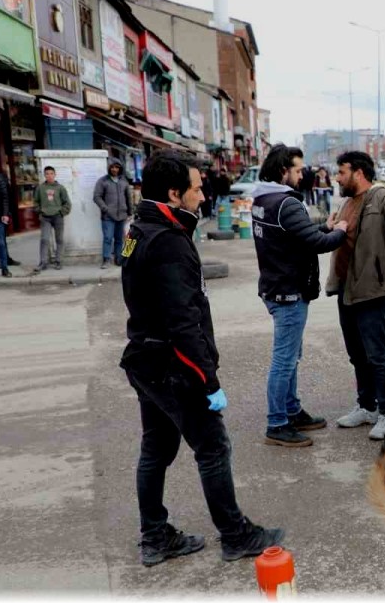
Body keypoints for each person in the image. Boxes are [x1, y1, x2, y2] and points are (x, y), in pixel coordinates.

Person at [120, 151, 284, 567]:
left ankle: (155, 536)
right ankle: (236, 534)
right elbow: (183, 321)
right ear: (174, 193)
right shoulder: (169, 242)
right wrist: (208, 380)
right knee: (212, 447)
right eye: (196, 187)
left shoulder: (141, 228)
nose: (202, 194)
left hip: (146, 359)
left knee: (156, 449)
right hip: (171, 366)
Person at [252, 145, 349, 447]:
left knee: (291, 356)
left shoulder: (262, 199)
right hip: (288, 293)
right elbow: (315, 243)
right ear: (283, 171)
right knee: (284, 360)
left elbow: (292, 235)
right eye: (297, 169)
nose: (301, 174)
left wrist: (323, 225)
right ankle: (277, 423)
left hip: (274, 287)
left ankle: (292, 411)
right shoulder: (287, 203)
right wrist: (340, 231)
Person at [326, 151, 385, 440]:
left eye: (342, 172)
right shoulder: (346, 202)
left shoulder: (381, 196)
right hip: (345, 287)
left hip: (370, 288)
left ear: (358, 173)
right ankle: (366, 407)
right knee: (357, 354)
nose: (338, 178)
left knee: (377, 355)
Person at [94, 158, 133, 269]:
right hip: (108, 216)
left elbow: (128, 197)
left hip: (122, 215)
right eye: (112, 167)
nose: (114, 169)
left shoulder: (123, 181)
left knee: (119, 239)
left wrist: (130, 212)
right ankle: (106, 259)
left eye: (117, 167)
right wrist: (105, 208)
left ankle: (118, 259)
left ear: (120, 168)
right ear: (109, 168)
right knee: (108, 238)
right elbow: (97, 197)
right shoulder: (103, 181)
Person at [32, 166, 71, 272]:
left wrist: (61, 212)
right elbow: (35, 202)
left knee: (59, 240)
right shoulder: (40, 188)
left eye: (51, 173)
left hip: (58, 217)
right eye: (47, 173)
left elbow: (67, 203)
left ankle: (58, 261)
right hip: (45, 218)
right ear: (44, 175)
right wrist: (39, 211)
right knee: (44, 239)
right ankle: (43, 262)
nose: (49, 175)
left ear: (55, 174)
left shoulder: (60, 188)